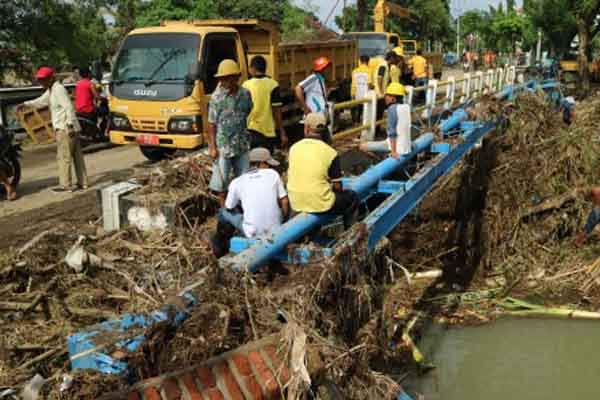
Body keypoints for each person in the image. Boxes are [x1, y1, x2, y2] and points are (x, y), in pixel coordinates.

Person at [18, 67, 88, 192]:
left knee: (63, 157)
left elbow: (68, 107)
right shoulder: (52, 90)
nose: (41, 82)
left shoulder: (58, 89)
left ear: (51, 78)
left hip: (65, 128)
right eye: (40, 80)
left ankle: (66, 185)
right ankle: (83, 183)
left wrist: (70, 125)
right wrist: (26, 104)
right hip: (69, 127)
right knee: (76, 156)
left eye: (43, 79)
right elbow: (41, 101)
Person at [211, 147, 289, 257]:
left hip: (252, 233)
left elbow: (229, 207)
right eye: (268, 163)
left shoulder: (237, 182)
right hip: (276, 228)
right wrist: (284, 219)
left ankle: (220, 246)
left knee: (223, 212)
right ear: (261, 163)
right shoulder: (273, 174)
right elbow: (284, 201)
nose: (269, 166)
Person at [287, 113, 359, 229]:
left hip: (295, 202)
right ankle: (350, 233)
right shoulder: (330, 152)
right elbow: (337, 187)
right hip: (320, 203)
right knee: (352, 197)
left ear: (306, 128)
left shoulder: (293, 148)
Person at [208, 59, 253, 207]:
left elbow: (247, 110)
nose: (224, 82)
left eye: (228, 78)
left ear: (236, 78)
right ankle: (225, 209)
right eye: (222, 78)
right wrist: (213, 147)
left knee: (244, 177)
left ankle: (242, 204)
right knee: (222, 181)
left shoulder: (245, 94)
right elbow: (211, 124)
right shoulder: (216, 98)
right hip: (224, 145)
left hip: (241, 143)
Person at [242, 56, 288, 152]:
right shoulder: (273, 84)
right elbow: (276, 111)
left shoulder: (245, 85)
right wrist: (282, 132)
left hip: (250, 130)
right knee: (266, 160)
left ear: (252, 69)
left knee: (252, 162)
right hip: (267, 133)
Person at [359, 83, 410, 159]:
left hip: (396, 146)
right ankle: (384, 156)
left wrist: (394, 152)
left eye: (387, 95)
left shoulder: (392, 109)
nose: (385, 97)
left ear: (393, 98)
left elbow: (392, 133)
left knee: (362, 146)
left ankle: (380, 160)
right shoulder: (406, 107)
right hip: (406, 146)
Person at [351, 55, 372, 123]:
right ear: (368, 62)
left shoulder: (354, 71)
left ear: (360, 61)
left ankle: (356, 123)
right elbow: (369, 84)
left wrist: (353, 94)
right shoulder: (369, 71)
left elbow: (353, 84)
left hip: (356, 94)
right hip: (365, 95)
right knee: (365, 111)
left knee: (357, 110)